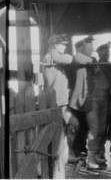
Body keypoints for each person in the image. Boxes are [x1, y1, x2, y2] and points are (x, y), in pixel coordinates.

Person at [42, 34, 79, 163]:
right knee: (71, 125)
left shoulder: (56, 57)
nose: (65, 47)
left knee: (67, 127)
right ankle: (61, 156)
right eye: (62, 45)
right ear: (54, 46)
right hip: (56, 102)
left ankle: (65, 154)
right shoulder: (51, 56)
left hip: (61, 102)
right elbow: (70, 59)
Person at [68, 36, 101, 168]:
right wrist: (92, 60)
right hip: (77, 100)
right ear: (83, 46)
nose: (92, 48)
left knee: (95, 128)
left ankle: (90, 158)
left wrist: (93, 61)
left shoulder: (91, 59)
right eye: (89, 46)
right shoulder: (78, 57)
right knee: (73, 128)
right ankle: (69, 153)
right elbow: (81, 59)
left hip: (89, 99)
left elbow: (95, 67)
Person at [94, 43, 111, 161]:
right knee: (101, 126)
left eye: (108, 52)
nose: (107, 54)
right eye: (104, 52)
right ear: (99, 53)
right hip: (101, 101)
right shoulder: (96, 66)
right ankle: (100, 150)